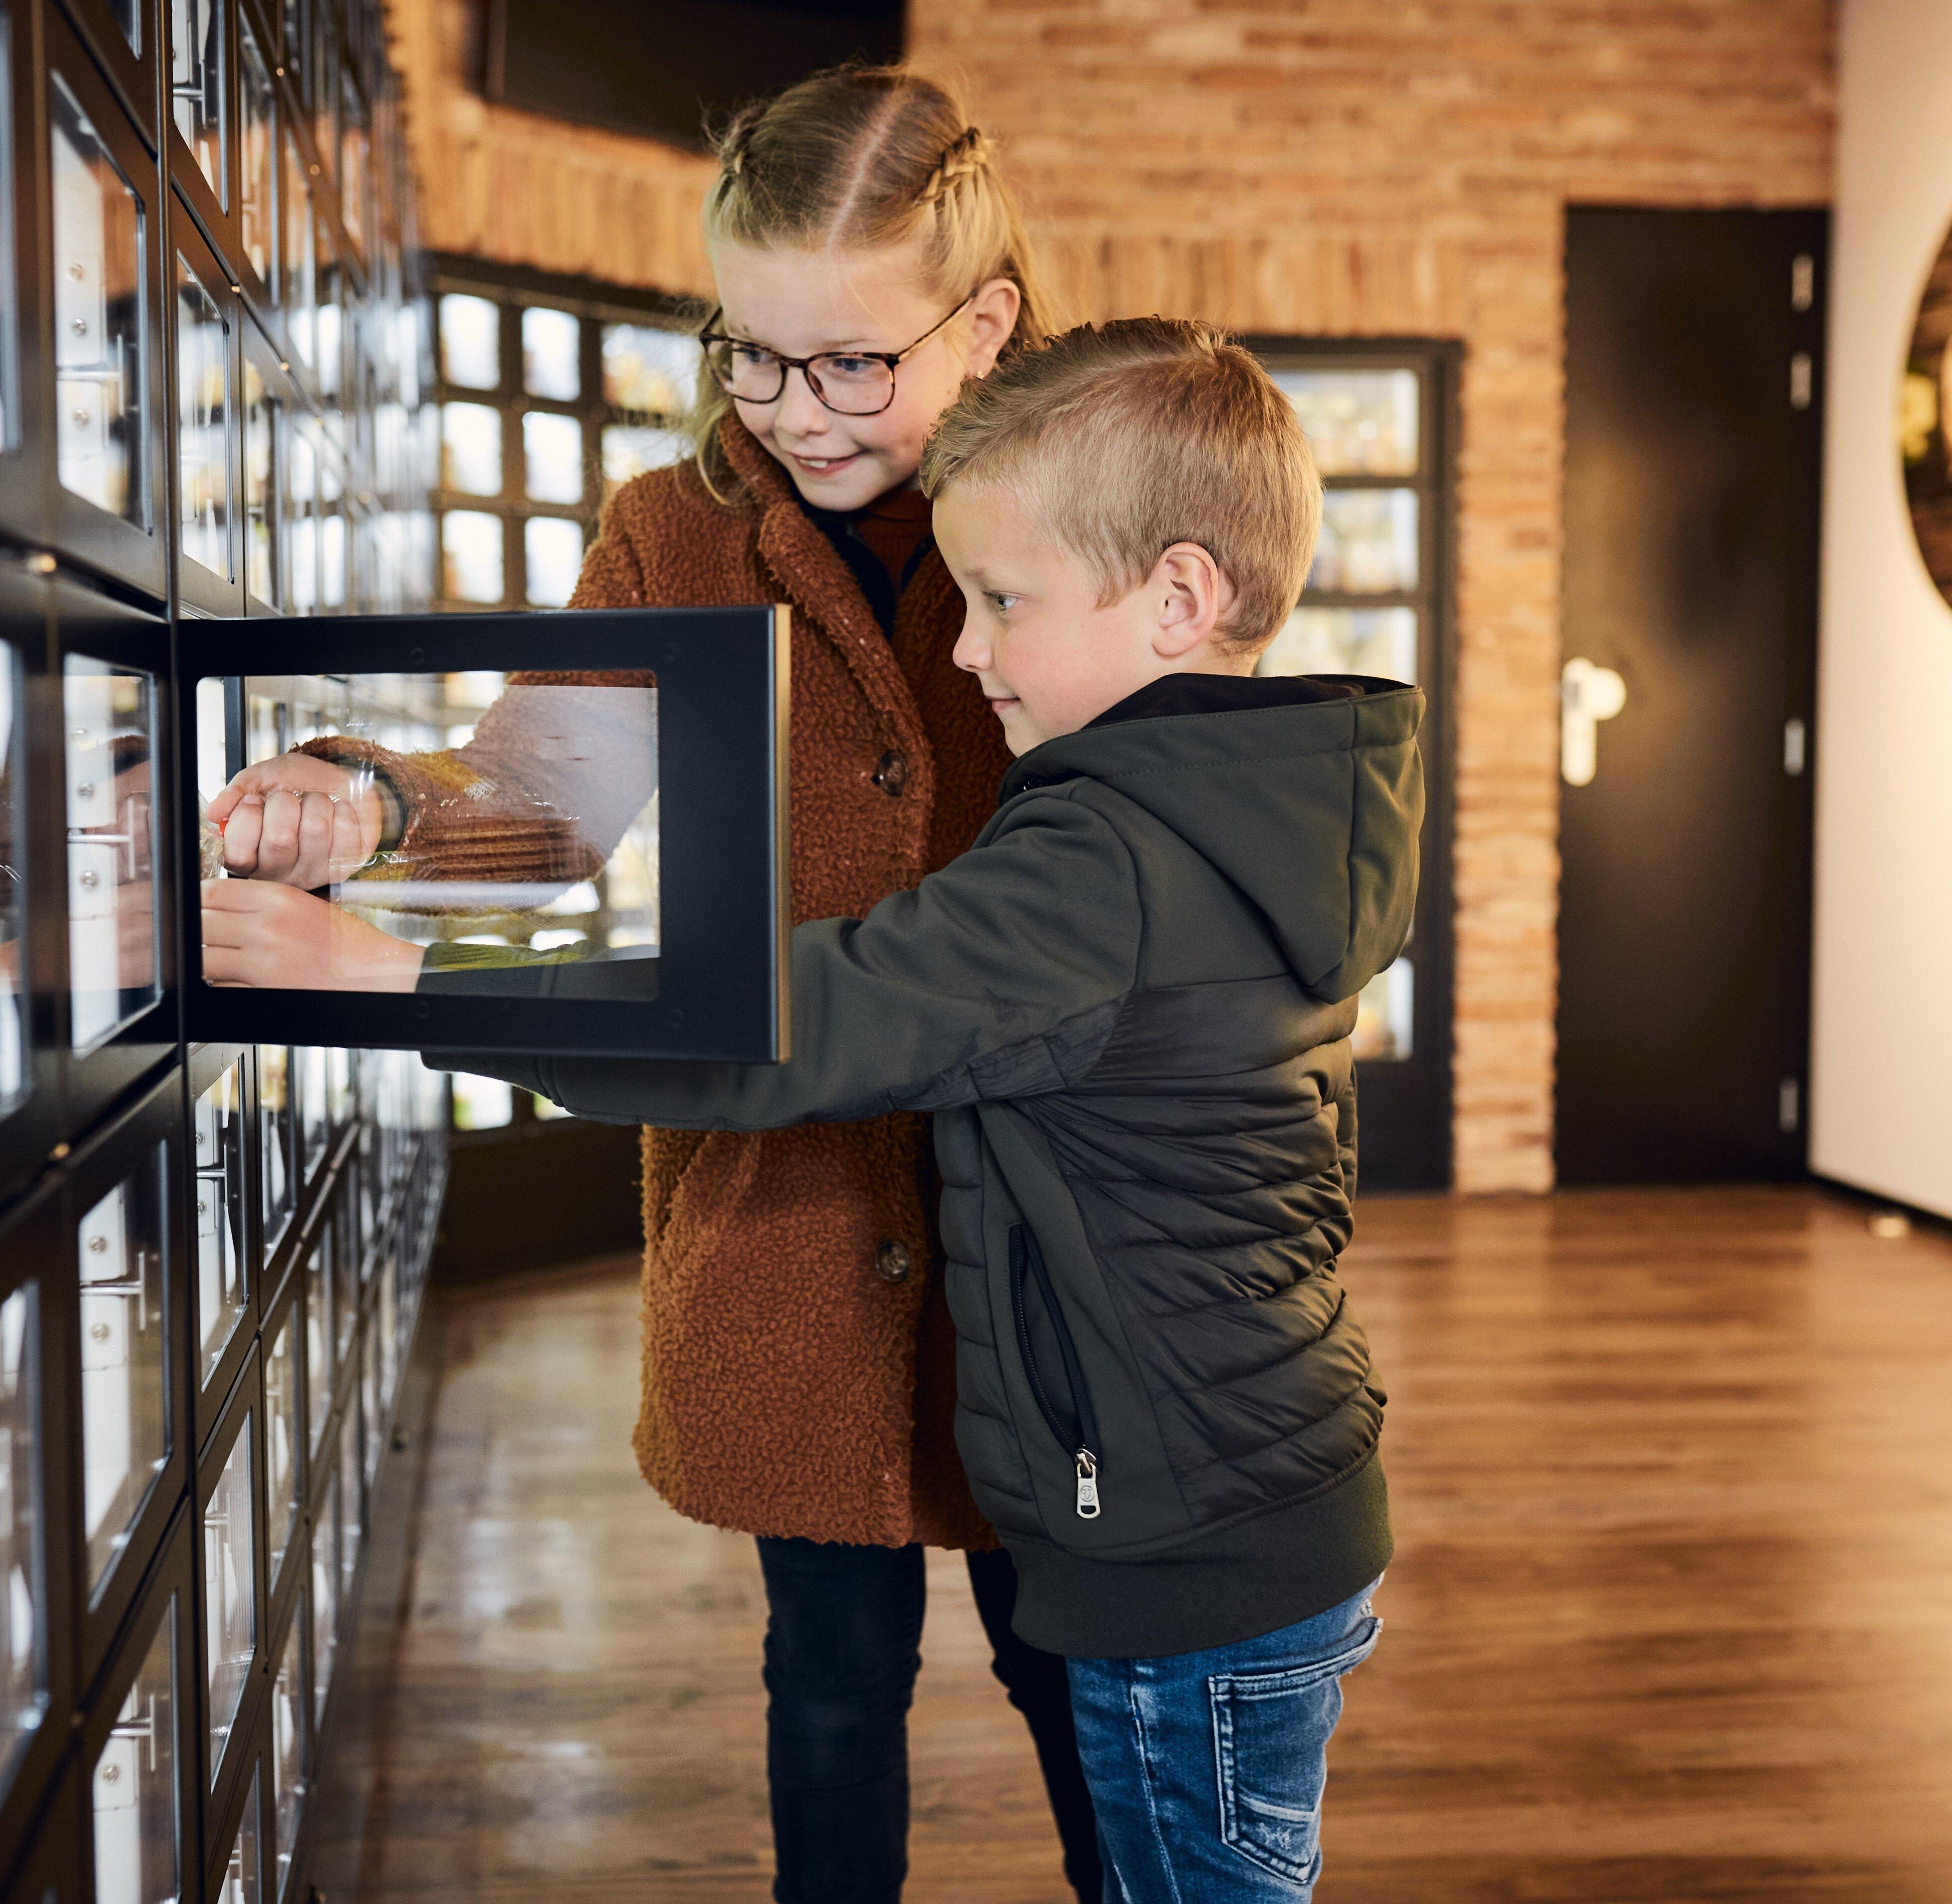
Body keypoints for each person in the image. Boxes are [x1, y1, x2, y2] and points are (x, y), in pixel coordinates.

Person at [198, 66, 1106, 1904]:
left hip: (1066, 1209)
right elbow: (539, 812)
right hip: (788, 1211)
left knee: (1074, 1660)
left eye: (852, 362)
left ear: (988, 317)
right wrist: (367, 794)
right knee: (831, 1675)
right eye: (751, 357)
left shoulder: (1093, 492)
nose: (794, 412)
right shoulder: (671, 526)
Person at [435, 318, 1421, 1904]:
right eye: (746, 353)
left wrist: (416, 989)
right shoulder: (1243, 800)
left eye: (1006, 605)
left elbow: (783, 1025)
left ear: (1178, 596)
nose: (967, 653)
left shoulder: (1106, 867)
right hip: (1246, 1506)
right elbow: (522, 801)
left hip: (1188, 1551)